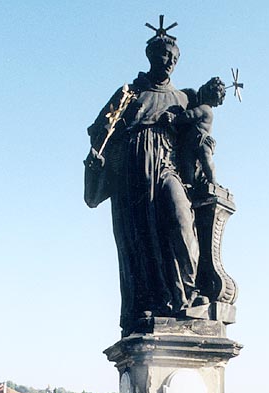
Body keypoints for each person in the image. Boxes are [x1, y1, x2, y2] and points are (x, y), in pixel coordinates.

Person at [84, 34, 207, 336]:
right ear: (151, 55)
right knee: (142, 242)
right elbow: (101, 134)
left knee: (181, 223)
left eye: (175, 58)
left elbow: (197, 140)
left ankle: (186, 297)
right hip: (133, 173)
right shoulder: (129, 93)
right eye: (165, 55)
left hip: (166, 165)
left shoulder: (183, 99)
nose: (170, 62)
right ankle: (150, 303)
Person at [172, 77, 226, 186]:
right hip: (191, 142)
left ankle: (212, 181)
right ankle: (189, 183)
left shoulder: (205, 108)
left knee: (206, 160)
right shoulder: (206, 108)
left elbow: (190, 115)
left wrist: (175, 118)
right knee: (188, 162)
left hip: (201, 141)